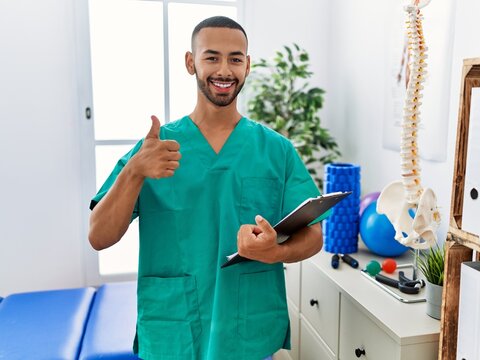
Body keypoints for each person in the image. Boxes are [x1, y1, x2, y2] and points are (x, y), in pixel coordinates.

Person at [88, 16, 325, 360]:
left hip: (246, 328)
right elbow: (99, 236)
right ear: (191, 63)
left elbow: (313, 236)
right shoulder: (157, 148)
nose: (224, 70)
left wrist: (276, 252)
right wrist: (134, 172)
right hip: (175, 327)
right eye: (211, 57)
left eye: (235, 58)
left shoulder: (277, 151)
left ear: (248, 65)